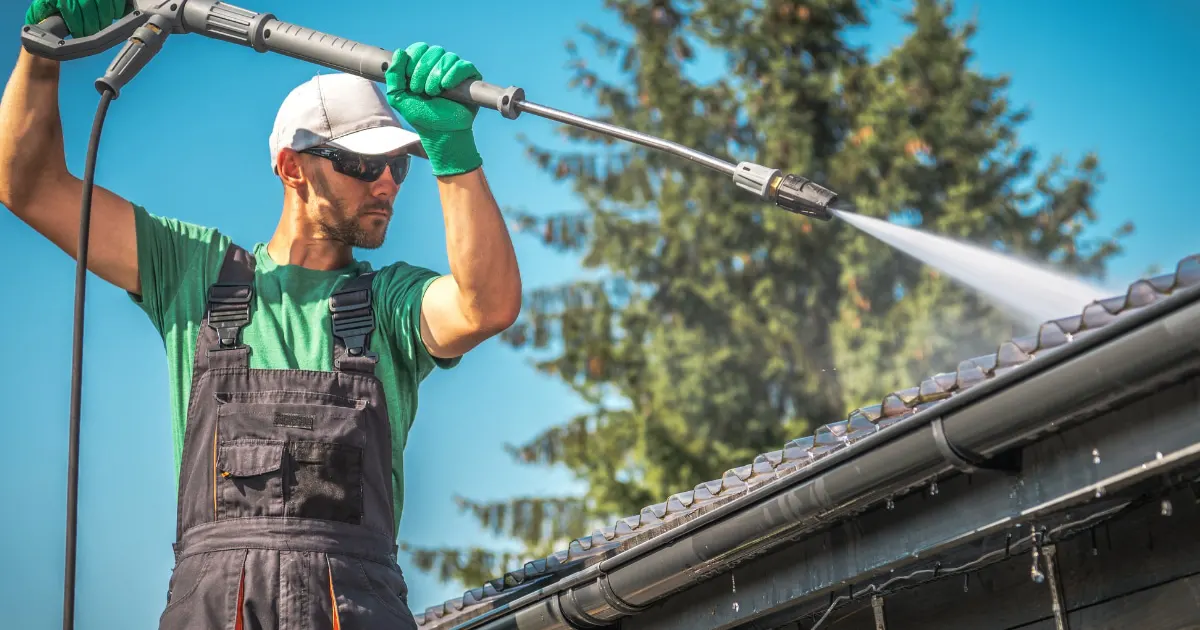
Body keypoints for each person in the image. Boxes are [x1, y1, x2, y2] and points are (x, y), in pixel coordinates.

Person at [2, 1, 522, 628]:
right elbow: (28, 185)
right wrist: (43, 47)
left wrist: (453, 152)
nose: (385, 183)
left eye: (398, 165)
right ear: (290, 167)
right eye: (361, 163)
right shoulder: (192, 272)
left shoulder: (390, 304)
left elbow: (484, 305)